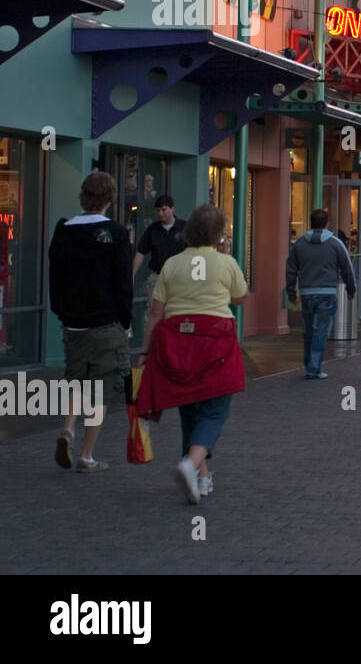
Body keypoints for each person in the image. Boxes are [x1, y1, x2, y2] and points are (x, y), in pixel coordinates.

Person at [136, 203, 246, 502]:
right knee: (215, 410)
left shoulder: (172, 264)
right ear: (219, 235)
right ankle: (190, 464)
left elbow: (157, 314)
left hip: (179, 340)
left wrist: (145, 352)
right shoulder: (226, 263)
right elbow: (240, 296)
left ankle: (201, 477)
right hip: (215, 341)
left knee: (190, 406)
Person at [49, 171, 133, 473]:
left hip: (73, 323)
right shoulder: (117, 233)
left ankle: (68, 429)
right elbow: (123, 282)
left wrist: (61, 310)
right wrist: (125, 319)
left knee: (77, 379)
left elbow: (55, 276)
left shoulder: (64, 231)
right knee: (101, 389)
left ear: (83, 197)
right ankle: (86, 455)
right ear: (109, 199)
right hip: (105, 321)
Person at [285, 208, 357, 379]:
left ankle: (309, 363)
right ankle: (314, 367)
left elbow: (290, 270)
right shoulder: (335, 243)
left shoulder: (300, 244)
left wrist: (291, 292)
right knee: (322, 330)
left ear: (311, 222)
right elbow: (347, 267)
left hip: (307, 292)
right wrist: (351, 288)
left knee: (308, 330)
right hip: (327, 293)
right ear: (326, 223)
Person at [132, 195, 187, 316]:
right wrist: (132, 274)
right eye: (158, 210)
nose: (161, 213)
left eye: (164, 209)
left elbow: (195, 251)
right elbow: (141, 252)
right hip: (158, 277)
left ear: (172, 209)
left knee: (177, 313)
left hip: (180, 277)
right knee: (156, 314)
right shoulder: (153, 230)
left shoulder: (184, 227)